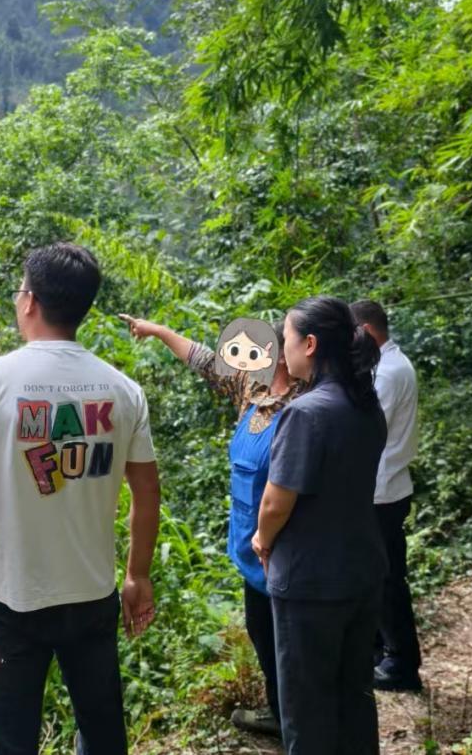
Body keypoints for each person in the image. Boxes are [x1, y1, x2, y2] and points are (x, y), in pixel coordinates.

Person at [0, 243, 161, 755]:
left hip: (11, 599)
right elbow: (146, 487)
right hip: (92, 593)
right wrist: (137, 574)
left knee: (10, 742)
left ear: (29, 301)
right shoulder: (122, 389)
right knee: (103, 734)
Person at [119, 313, 299, 739]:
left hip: (286, 543)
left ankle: (302, 726)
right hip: (249, 543)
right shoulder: (252, 387)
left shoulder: (306, 402)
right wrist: (158, 331)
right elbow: (202, 359)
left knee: (293, 646)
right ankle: (280, 714)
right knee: (263, 635)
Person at [251, 296, 386, 755]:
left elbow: (275, 502)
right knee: (355, 697)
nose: (282, 349)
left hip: (310, 583)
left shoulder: (305, 413)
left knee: (307, 710)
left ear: (309, 344)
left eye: (286, 338)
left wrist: (261, 539)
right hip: (361, 570)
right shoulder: (365, 403)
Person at [351, 299, 422, 692]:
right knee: (378, 576)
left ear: (365, 331)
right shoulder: (388, 365)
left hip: (382, 491)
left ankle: (401, 662)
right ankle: (383, 652)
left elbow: (364, 424)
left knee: (388, 579)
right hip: (384, 486)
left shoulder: (389, 372)